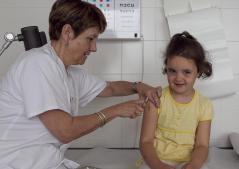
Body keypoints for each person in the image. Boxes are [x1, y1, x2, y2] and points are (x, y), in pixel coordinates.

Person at [0, 0, 161, 169]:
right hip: (13, 162)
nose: (94, 48)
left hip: (46, 162)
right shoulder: (36, 63)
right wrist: (116, 110)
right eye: (90, 39)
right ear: (67, 32)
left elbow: (110, 88)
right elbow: (65, 131)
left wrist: (139, 86)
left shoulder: (70, 73)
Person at [139, 31, 213, 169]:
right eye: (172, 71)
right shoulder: (156, 98)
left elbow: (202, 145)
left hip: (189, 161)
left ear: (198, 71)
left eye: (186, 72)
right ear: (166, 68)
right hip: (157, 160)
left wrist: (193, 165)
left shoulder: (204, 105)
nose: (178, 78)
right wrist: (159, 166)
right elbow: (146, 141)